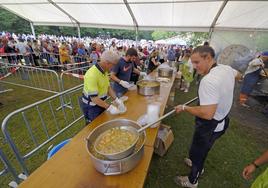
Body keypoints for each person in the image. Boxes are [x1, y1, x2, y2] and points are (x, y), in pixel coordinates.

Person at [173, 46, 241, 188]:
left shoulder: (208, 81)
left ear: (208, 58)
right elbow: (238, 75)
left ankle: (192, 180)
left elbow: (207, 114)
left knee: (199, 152)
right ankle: (197, 162)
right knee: (200, 150)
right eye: (193, 62)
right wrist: (224, 89)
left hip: (210, 125)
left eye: (197, 62)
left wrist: (184, 107)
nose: (194, 66)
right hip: (222, 120)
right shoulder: (225, 68)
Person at [80, 50, 124, 125]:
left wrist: (116, 99)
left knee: (103, 122)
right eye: (114, 65)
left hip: (100, 103)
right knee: (94, 127)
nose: (114, 67)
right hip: (91, 107)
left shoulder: (105, 71)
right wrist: (109, 107)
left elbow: (108, 87)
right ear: (107, 63)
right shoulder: (92, 75)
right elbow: (94, 98)